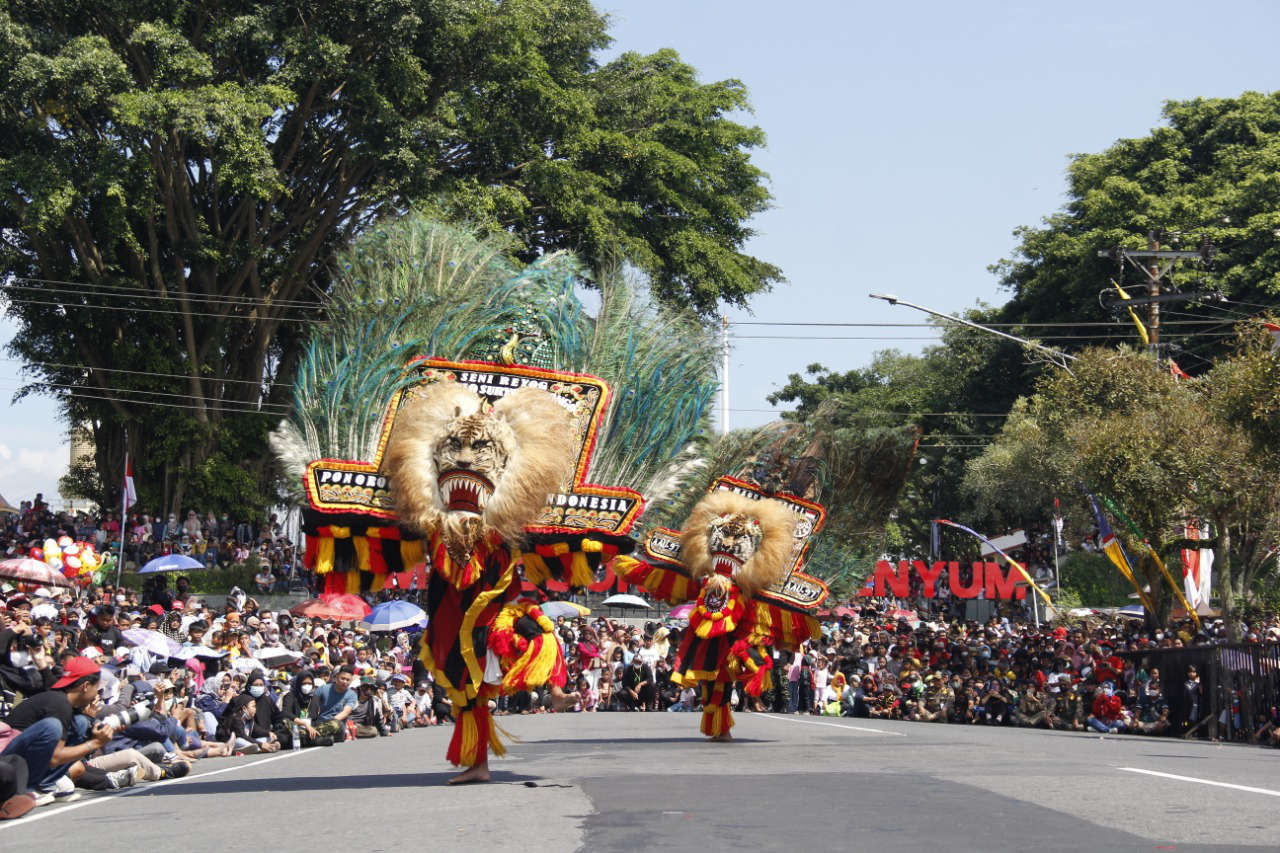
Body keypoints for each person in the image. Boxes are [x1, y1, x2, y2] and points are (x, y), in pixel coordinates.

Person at [1, 656, 116, 803]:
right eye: (97, 688)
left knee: (82, 723)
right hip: (8, 761)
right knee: (52, 726)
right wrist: (95, 743)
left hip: (20, 758)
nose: (97, 694)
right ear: (86, 686)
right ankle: (32, 789)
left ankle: (46, 784)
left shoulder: (62, 702)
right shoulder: (59, 705)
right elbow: (54, 758)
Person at [310, 664, 357, 742]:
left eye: (348, 680)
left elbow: (345, 712)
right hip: (319, 723)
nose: (345, 682)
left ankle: (311, 737)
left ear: (351, 680)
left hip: (337, 725)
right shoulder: (323, 688)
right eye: (343, 678)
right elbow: (312, 707)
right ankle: (319, 739)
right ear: (337, 677)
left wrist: (329, 722)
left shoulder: (352, 695)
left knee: (335, 724)